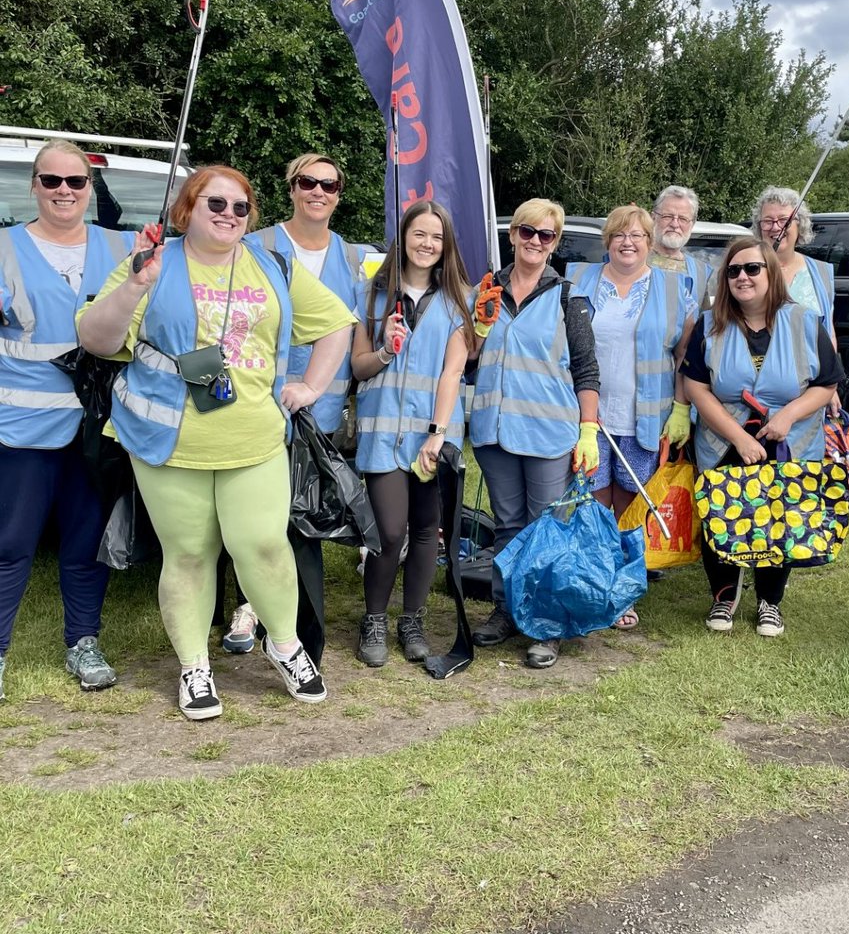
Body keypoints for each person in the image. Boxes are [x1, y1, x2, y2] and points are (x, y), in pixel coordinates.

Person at [78, 166, 356, 720]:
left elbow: (337, 323)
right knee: (188, 555)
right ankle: (194, 668)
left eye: (240, 206)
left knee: (265, 546)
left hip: (255, 439)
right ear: (187, 208)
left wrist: (311, 386)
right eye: (216, 203)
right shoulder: (155, 263)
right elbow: (95, 337)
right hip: (167, 441)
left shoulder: (272, 264)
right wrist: (136, 284)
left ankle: (285, 645)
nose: (229, 214)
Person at [0, 140, 134, 701]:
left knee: (86, 544)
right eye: (51, 180)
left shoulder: (123, 246)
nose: (63, 191)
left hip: (96, 432)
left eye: (76, 182)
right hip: (21, 432)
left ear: (89, 189)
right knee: (10, 544)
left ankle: (83, 641)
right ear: (33, 185)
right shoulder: (5, 248)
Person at [224, 153, 364, 655]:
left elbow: (362, 323)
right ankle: (248, 605)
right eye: (307, 182)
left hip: (319, 410)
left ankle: (288, 618)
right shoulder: (255, 245)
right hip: (257, 400)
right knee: (252, 513)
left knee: (296, 513)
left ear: (339, 194)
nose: (318, 192)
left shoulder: (354, 258)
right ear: (291, 188)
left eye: (329, 184)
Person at [683, 237, 843, 637]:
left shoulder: (806, 321)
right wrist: (739, 437)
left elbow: (826, 384)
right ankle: (724, 594)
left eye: (752, 268)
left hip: (791, 442)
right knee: (722, 516)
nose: (742, 277)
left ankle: (770, 602)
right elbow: (697, 387)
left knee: (779, 518)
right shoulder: (709, 324)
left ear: (771, 273)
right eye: (733, 270)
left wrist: (788, 416)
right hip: (724, 441)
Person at [470, 199, 601, 669]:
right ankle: (506, 610)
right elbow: (465, 360)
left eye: (546, 235)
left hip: (549, 435)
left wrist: (588, 431)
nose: (535, 242)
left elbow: (587, 370)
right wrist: (478, 327)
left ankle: (545, 624)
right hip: (496, 432)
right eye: (527, 231)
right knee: (507, 528)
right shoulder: (484, 290)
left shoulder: (568, 297)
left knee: (546, 530)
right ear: (512, 235)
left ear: (555, 242)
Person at [351, 200, 472, 667]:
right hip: (383, 436)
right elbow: (359, 369)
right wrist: (385, 348)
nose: (427, 244)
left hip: (434, 436)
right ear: (402, 239)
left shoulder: (457, 299)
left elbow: (452, 372)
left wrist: (438, 434)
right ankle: (374, 619)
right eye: (419, 234)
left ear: (447, 247)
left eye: (437, 237)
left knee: (426, 530)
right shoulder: (371, 296)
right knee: (387, 530)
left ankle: (413, 621)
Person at [569, 205, 696, 628]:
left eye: (637, 235)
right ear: (607, 241)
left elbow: (686, 357)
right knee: (595, 504)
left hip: (646, 418)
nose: (628, 242)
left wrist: (681, 408)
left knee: (630, 509)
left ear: (649, 241)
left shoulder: (676, 289)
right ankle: (599, 587)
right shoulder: (578, 281)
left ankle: (623, 591)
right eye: (619, 234)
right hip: (589, 417)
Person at [751, 188, 836, 335]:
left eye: (784, 220)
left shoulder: (821, 271)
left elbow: (829, 331)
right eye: (768, 221)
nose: (776, 227)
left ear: (799, 224)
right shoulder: (746, 270)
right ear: (759, 227)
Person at [649, 185, 712, 310]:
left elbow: (703, 323)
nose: (675, 224)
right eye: (667, 216)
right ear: (653, 218)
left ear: (692, 224)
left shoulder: (700, 271)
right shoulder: (633, 261)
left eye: (683, 219)